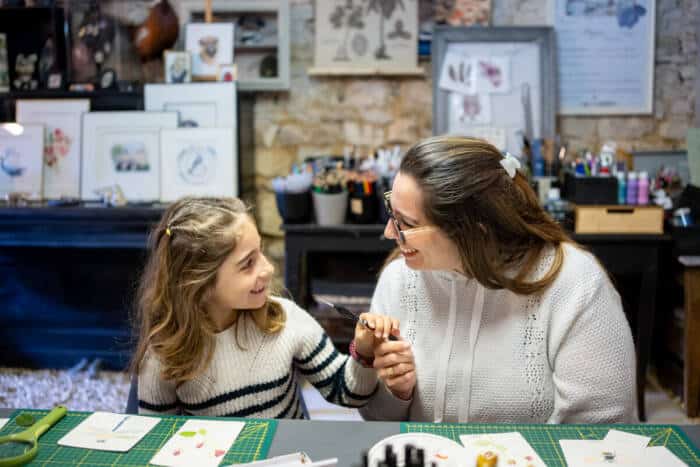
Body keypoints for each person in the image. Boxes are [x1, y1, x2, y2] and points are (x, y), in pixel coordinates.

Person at [357, 136, 636, 423]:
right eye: (393, 213)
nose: (390, 233)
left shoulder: (575, 283)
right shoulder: (399, 279)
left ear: (474, 233)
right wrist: (397, 392)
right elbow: (376, 421)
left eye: (408, 224)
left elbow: (597, 430)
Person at [131, 197, 401, 418]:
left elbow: (348, 392)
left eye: (260, 252)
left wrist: (364, 352)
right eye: (247, 263)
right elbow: (158, 441)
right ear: (199, 283)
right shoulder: (164, 356)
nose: (268, 268)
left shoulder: (285, 319)